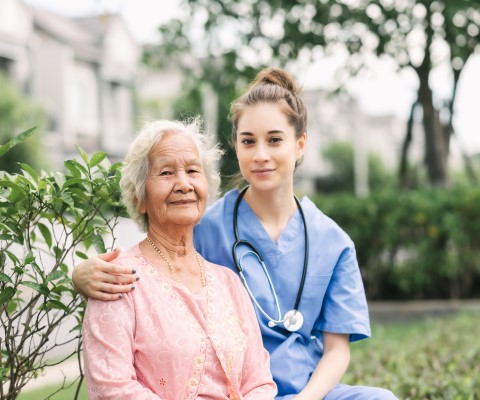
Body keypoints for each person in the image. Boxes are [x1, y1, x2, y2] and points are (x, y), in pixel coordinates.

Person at [74, 68, 397, 400]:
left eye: (274, 140)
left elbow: (337, 350)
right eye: (248, 141)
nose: (260, 154)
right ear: (236, 146)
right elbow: (151, 259)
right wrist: (80, 275)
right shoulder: (204, 225)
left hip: (305, 392)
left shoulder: (333, 242)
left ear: (300, 145)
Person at [81, 119, 277, 399]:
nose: (183, 184)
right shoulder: (116, 280)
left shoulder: (229, 283)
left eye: (192, 171)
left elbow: (259, 382)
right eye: (166, 173)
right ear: (139, 197)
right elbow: (111, 388)